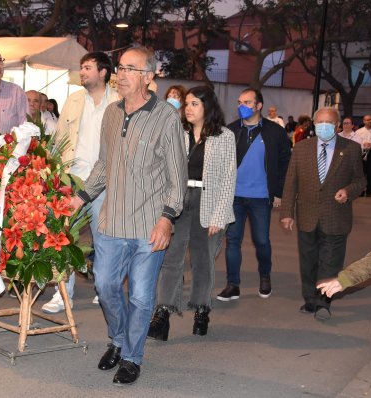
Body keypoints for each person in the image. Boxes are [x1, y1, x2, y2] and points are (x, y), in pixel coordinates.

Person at [71, 46, 187, 385]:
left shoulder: (166, 116)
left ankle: (132, 356)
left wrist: (167, 218)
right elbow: (104, 165)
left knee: (139, 295)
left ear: (149, 77)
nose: (121, 75)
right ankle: (118, 338)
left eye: (129, 69)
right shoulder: (111, 113)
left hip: (149, 226)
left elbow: (177, 178)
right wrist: (79, 198)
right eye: (119, 68)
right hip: (110, 221)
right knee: (106, 285)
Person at [148, 86, 236, 341]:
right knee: (171, 258)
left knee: (203, 260)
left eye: (195, 103)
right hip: (179, 200)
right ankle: (162, 313)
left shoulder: (224, 136)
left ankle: (201, 309)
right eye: (186, 104)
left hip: (208, 202)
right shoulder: (178, 132)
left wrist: (219, 217)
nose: (188, 108)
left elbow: (229, 178)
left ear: (207, 107)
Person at [42, 52, 120, 314]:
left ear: (103, 72)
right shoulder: (74, 100)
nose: (82, 72)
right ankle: (63, 293)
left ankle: (103, 287)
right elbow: (61, 137)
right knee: (63, 236)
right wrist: (54, 172)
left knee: (103, 239)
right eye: (81, 68)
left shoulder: (119, 101)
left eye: (88, 68)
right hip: (72, 178)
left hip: (104, 181)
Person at [280, 107, 365, 320]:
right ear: (314, 124)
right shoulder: (301, 149)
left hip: (336, 215)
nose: (323, 126)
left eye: (328, 123)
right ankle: (310, 298)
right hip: (307, 214)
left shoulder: (352, 149)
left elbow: (361, 181)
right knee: (308, 260)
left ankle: (323, 302)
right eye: (319, 122)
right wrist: (287, 212)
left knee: (331, 260)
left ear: (337, 126)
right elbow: (291, 182)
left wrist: (348, 191)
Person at [217, 88, 291, 302]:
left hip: (261, 196)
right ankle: (233, 285)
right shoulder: (229, 131)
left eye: (247, 102)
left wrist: (278, 192)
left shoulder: (274, 132)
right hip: (234, 197)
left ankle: (265, 276)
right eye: (240, 102)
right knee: (233, 241)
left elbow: (285, 161)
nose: (242, 106)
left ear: (259, 106)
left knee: (261, 241)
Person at [355, 115, 371, 197]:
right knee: (361, 172)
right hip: (362, 153)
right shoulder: (358, 132)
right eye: (368, 120)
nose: (370, 121)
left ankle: (369, 190)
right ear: (364, 121)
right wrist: (363, 145)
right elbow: (356, 143)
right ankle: (360, 191)